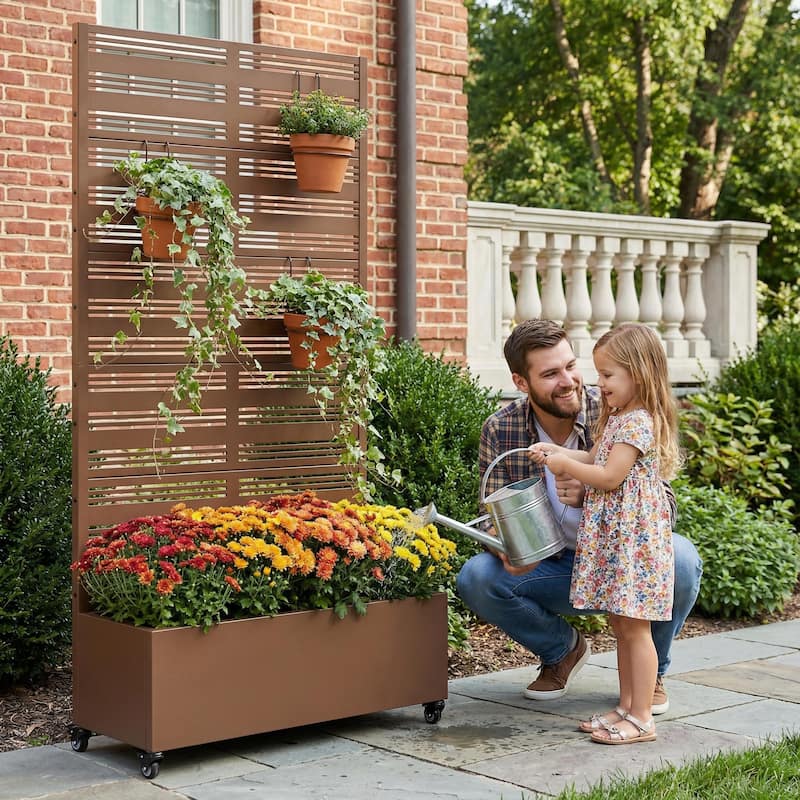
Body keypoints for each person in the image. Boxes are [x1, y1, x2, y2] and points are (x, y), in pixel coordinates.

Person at [456, 319, 702, 718]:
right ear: (521, 382)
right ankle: (562, 651)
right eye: (551, 373)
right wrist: (509, 547)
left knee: (682, 560)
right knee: (477, 577)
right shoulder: (502, 429)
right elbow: (490, 510)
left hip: (620, 559)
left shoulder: (615, 406)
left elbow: (664, 503)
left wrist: (593, 495)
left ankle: (650, 674)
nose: (570, 380)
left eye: (571, 365)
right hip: (557, 567)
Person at [529, 323, 679, 744]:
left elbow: (609, 476)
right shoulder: (617, 419)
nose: (600, 383)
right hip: (618, 542)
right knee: (620, 624)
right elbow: (593, 456)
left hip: (634, 544)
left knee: (636, 628)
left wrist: (565, 467)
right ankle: (626, 707)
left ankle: (643, 716)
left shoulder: (639, 423)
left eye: (609, 375)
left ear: (639, 372)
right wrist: (557, 453)